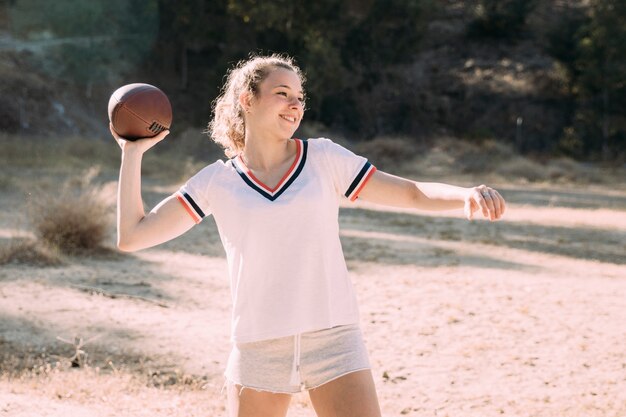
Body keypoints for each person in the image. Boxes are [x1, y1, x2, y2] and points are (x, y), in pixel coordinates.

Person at [111, 54, 505, 417]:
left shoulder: (323, 159)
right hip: (259, 346)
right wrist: (132, 153)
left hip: (334, 338)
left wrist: (464, 195)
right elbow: (132, 235)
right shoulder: (217, 181)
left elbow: (411, 192)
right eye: (281, 94)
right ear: (247, 99)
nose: (295, 104)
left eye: (299, 97)